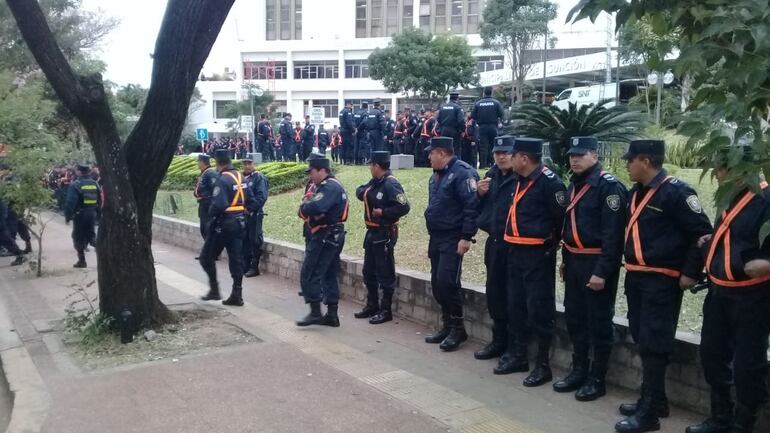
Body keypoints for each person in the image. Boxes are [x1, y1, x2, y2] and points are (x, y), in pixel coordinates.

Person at [615, 139, 712, 433]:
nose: (626, 165)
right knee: (643, 338)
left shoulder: (677, 192)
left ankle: (649, 415)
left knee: (655, 343)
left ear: (645, 161)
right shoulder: (637, 191)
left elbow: (702, 234)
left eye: (630, 160)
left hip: (662, 280)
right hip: (637, 277)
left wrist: (691, 273)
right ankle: (656, 399)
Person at [686, 145, 770, 433]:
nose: (717, 175)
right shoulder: (728, 197)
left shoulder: (766, 198)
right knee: (711, 354)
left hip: (753, 296)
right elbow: (733, 237)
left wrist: (766, 264)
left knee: (749, 363)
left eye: (722, 169)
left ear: (741, 170)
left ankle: (745, 422)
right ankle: (720, 415)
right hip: (719, 292)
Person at [553, 136, 628, 401]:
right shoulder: (575, 184)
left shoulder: (609, 187)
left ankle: (597, 378)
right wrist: (566, 260)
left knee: (598, 322)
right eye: (572, 155)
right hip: (574, 261)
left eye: (581, 154)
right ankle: (579, 369)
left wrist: (602, 272)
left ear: (595, 156)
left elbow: (613, 237)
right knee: (575, 318)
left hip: (596, 263)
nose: (575, 159)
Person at [495, 137, 567, 388]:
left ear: (524, 158)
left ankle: (543, 364)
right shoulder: (518, 179)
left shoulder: (550, 183)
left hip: (537, 255)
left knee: (539, 309)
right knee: (516, 306)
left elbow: (561, 220)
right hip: (514, 251)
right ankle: (518, 355)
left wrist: (550, 246)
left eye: (512, 155)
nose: (508, 158)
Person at [423, 136, 480, 351]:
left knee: (448, 282)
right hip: (436, 237)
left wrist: (466, 237)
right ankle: (447, 325)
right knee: (437, 284)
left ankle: (458, 329)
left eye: (432, 153)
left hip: (453, 238)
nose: (429, 156)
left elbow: (471, 207)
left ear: (442, 153)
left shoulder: (463, 173)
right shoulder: (436, 176)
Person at [354, 151, 411, 324]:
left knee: (385, 272)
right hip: (372, 232)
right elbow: (359, 192)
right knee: (368, 271)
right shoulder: (376, 182)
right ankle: (372, 305)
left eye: (371, 165)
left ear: (377, 166)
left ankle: (386, 310)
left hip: (384, 232)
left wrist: (384, 211)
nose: (370, 168)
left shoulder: (390, 184)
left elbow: (404, 206)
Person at [473, 135, 517, 360]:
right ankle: (498, 341)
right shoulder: (492, 175)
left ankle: (514, 347)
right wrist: (479, 193)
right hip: (495, 243)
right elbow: (480, 207)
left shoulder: (522, 178)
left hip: (516, 246)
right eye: (498, 153)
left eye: (506, 153)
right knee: (495, 294)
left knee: (513, 296)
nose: (501, 157)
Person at [296, 154, 349, 327]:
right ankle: (332, 315)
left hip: (326, 235)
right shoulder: (325, 186)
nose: (310, 176)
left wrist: (305, 205)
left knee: (310, 272)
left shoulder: (330, 187)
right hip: (330, 234)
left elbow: (315, 206)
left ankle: (315, 312)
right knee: (329, 273)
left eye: (312, 172)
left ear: (321, 170)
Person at [200, 149, 252, 306]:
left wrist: (211, 212)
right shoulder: (240, 177)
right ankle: (237, 294)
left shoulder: (222, 179)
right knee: (236, 259)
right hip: (240, 222)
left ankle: (215, 290)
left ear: (217, 162)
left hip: (223, 225)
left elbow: (219, 204)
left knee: (205, 257)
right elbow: (250, 198)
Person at [64, 164, 101, 268]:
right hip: (92, 214)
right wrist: (99, 214)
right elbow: (99, 200)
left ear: (79, 172)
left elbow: (70, 203)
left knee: (78, 237)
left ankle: (82, 261)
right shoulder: (95, 184)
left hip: (80, 215)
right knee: (92, 236)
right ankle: (102, 260)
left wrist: (68, 217)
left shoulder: (76, 185)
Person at [241, 158, 269, 278]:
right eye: (245, 163)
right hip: (242, 213)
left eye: (249, 163)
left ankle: (254, 267)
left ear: (254, 164)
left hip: (254, 213)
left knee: (254, 240)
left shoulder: (258, 177)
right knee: (244, 240)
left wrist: (250, 209)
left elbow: (261, 197)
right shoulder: (242, 177)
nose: (247, 166)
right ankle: (245, 265)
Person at [472, 86, 505, 169]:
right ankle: (493, 164)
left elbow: (473, 115)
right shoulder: (496, 103)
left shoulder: (478, 103)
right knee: (493, 146)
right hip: (493, 126)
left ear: (484, 93)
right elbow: (501, 114)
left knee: (483, 147)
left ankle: (483, 165)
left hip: (482, 127)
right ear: (491, 92)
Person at [193, 154, 218, 240]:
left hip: (208, 205)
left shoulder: (211, 173)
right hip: (203, 205)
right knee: (203, 228)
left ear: (202, 162)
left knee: (207, 229)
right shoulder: (204, 173)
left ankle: (210, 250)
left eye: (198, 162)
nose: (197, 164)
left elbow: (215, 189)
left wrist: (206, 198)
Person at [437, 91, 465, 156]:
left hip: (444, 130)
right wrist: (463, 130)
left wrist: (440, 129)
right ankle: (455, 164)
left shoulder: (442, 107)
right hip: (454, 130)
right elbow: (461, 120)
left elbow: (438, 119)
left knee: (444, 148)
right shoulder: (457, 108)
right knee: (456, 149)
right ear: (457, 98)